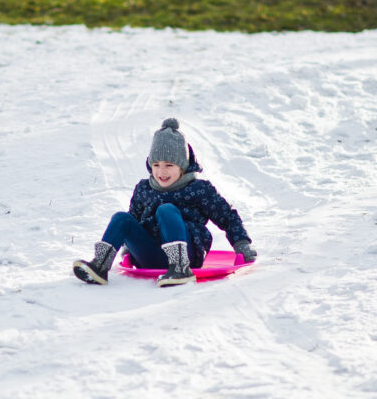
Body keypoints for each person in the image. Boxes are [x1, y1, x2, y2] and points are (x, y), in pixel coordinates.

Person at [73, 118, 257, 287]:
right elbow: (133, 222)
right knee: (122, 218)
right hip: (150, 254)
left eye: (169, 165)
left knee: (166, 210)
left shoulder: (199, 189)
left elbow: (227, 217)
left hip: (188, 254)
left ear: (182, 166)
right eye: (156, 165)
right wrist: (129, 250)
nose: (162, 171)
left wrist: (241, 244)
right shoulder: (144, 189)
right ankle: (100, 266)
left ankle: (179, 268)